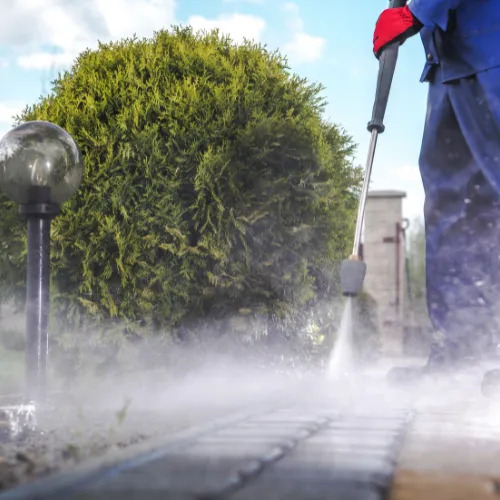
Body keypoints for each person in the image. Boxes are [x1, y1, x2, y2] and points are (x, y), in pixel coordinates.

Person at [372, 0, 500, 389]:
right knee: (451, 203)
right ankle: (462, 348)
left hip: (492, 44)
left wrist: (416, 12)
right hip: (449, 59)